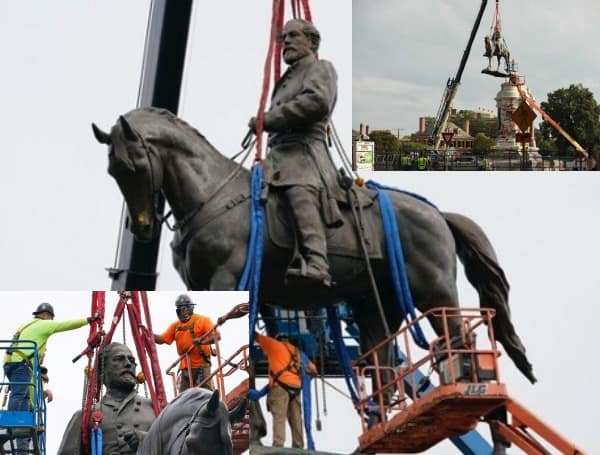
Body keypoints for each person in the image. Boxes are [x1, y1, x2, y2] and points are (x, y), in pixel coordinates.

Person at [249, 19, 342, 291]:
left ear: (312, 42)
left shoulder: (320, 68)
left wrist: (268, 119)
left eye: (293, 36)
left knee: (297, 190)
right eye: (283, 37)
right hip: (277, 154)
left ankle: (317, 263)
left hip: (304, 154)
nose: (285, 42)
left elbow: (316, 102)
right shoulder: (285, 80)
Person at [2, 303, 96, 454]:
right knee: (20, 400)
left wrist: (42, 388)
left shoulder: (27, 326)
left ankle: (23, 435)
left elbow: (31, 392)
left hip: (13, 363)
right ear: (46, 315)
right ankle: (14, 424)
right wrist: (88, 320)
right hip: (20, 364)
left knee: (25, 400)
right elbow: (65, 325)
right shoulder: (44, 324)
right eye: (51, 319)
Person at [57, 342, 156, 455]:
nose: (128, 364)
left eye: (132, 361)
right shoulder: (85, 416)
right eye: (119, 359)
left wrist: (145, 440)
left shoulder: (154, 408)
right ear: (102, 371)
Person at [254, 332, 317, 449]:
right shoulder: (298, 352)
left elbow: (255, 336)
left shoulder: (273, 345)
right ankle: (298, 446)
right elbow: (313, 370)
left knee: (279, 417)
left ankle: (278, 445)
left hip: (280, 388)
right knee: (296, 419)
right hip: (296, 389)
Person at [154, 294, 219, 393]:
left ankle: (210, 406)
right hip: (185, 368)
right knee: (183, 398)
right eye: (181, 310)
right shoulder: (175, 326)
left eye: (186, 309)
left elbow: (217, 336)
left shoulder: (203, 320)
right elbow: (161, 339)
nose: (184, 312)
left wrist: (201, 341)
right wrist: (147, 333)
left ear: (191, 309)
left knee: (205, 393)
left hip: (202, 364)